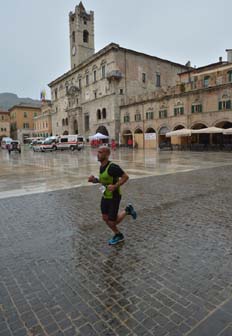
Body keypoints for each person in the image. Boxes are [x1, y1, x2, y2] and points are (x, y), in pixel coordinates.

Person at [88, 146, 137, 245]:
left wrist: (115, 186)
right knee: (105, 218)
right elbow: (104, 181)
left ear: (106, 155)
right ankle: (127, 210)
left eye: (100, 152)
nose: (98, 154)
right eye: (98, 152)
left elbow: (125, 177)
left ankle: (118, 235)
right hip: (105, 196)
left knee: (111, 222)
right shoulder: (101, 166)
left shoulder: (113, 167)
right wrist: (95, 180)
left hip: (114, 197)